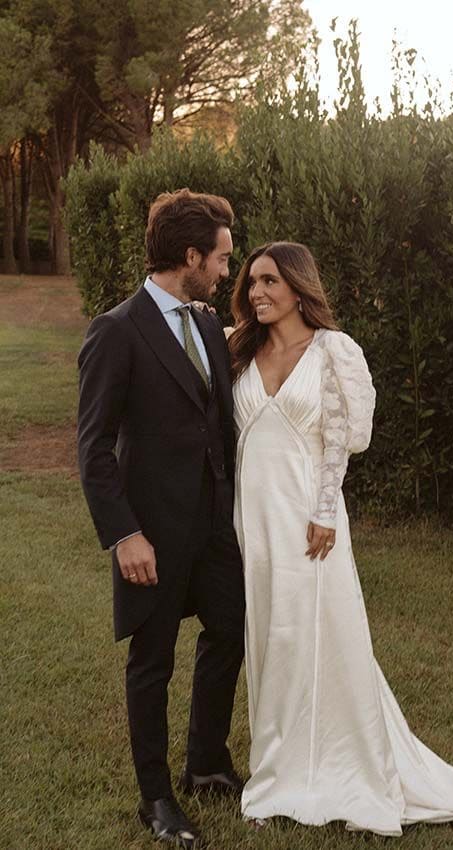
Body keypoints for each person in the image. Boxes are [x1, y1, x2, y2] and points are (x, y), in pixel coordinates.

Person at [227, 241, 453, 834]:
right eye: (251, 283)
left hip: (308, 522)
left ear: (299, 288)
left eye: (269, 282)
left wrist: (325, 512)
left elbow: (343, 442)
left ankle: (332, 769)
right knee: (271, 640)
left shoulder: (331, 351)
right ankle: (277, 764)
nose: (257, 293)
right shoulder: (237, 350)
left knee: (317, 636)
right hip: (254, 522)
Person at [77, 189, 246, 849]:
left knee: (230, 631)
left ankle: (206, 761)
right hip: (150, 532)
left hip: (215, 527)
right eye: (222, 258)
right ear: (190, 255)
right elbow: (92, 450)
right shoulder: (116, 330)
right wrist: (124, 533)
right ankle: (157, 797)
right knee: (152, 662)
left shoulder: (205, 322)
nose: (227, 271)